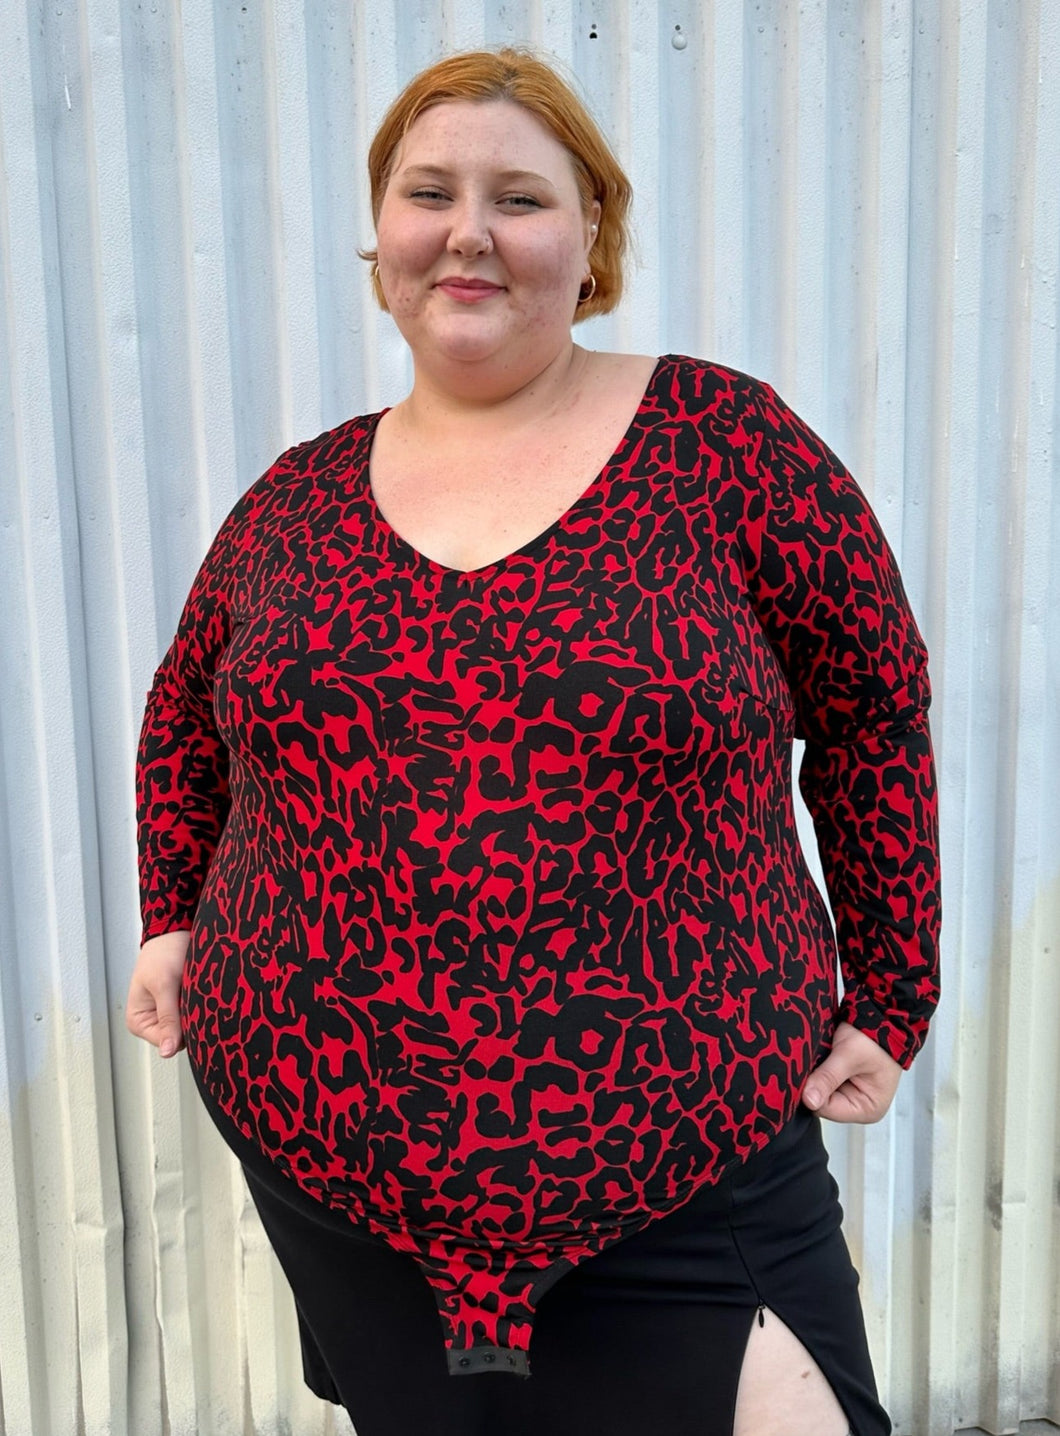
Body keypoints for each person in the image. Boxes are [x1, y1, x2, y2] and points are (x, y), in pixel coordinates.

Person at [127, 47, 940, 1436]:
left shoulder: (727, 447)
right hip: (334, 1161)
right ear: (383, 238)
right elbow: (188, 725)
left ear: (593, 238)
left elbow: (873, 714)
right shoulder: (297, 500)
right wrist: (168, 920)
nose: (468, 231)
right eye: (429, 192)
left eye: (520, 197)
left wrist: (893, 985)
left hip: (688, 1160)